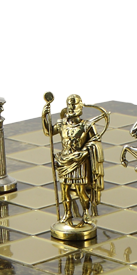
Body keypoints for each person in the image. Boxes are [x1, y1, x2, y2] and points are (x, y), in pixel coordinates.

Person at [42, 93, 106, 231]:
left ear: (80, 106)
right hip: (64, 161)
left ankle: (86, 213)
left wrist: (83, 152)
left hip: (79, 162)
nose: (71, 107)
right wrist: (44, 115)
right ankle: (67, 214)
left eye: (74, 104)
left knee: (80, 190)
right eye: (69, 104)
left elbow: (95, 142)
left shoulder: (87, 125)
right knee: (64, 191)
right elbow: (48, 132)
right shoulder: (62, 124)